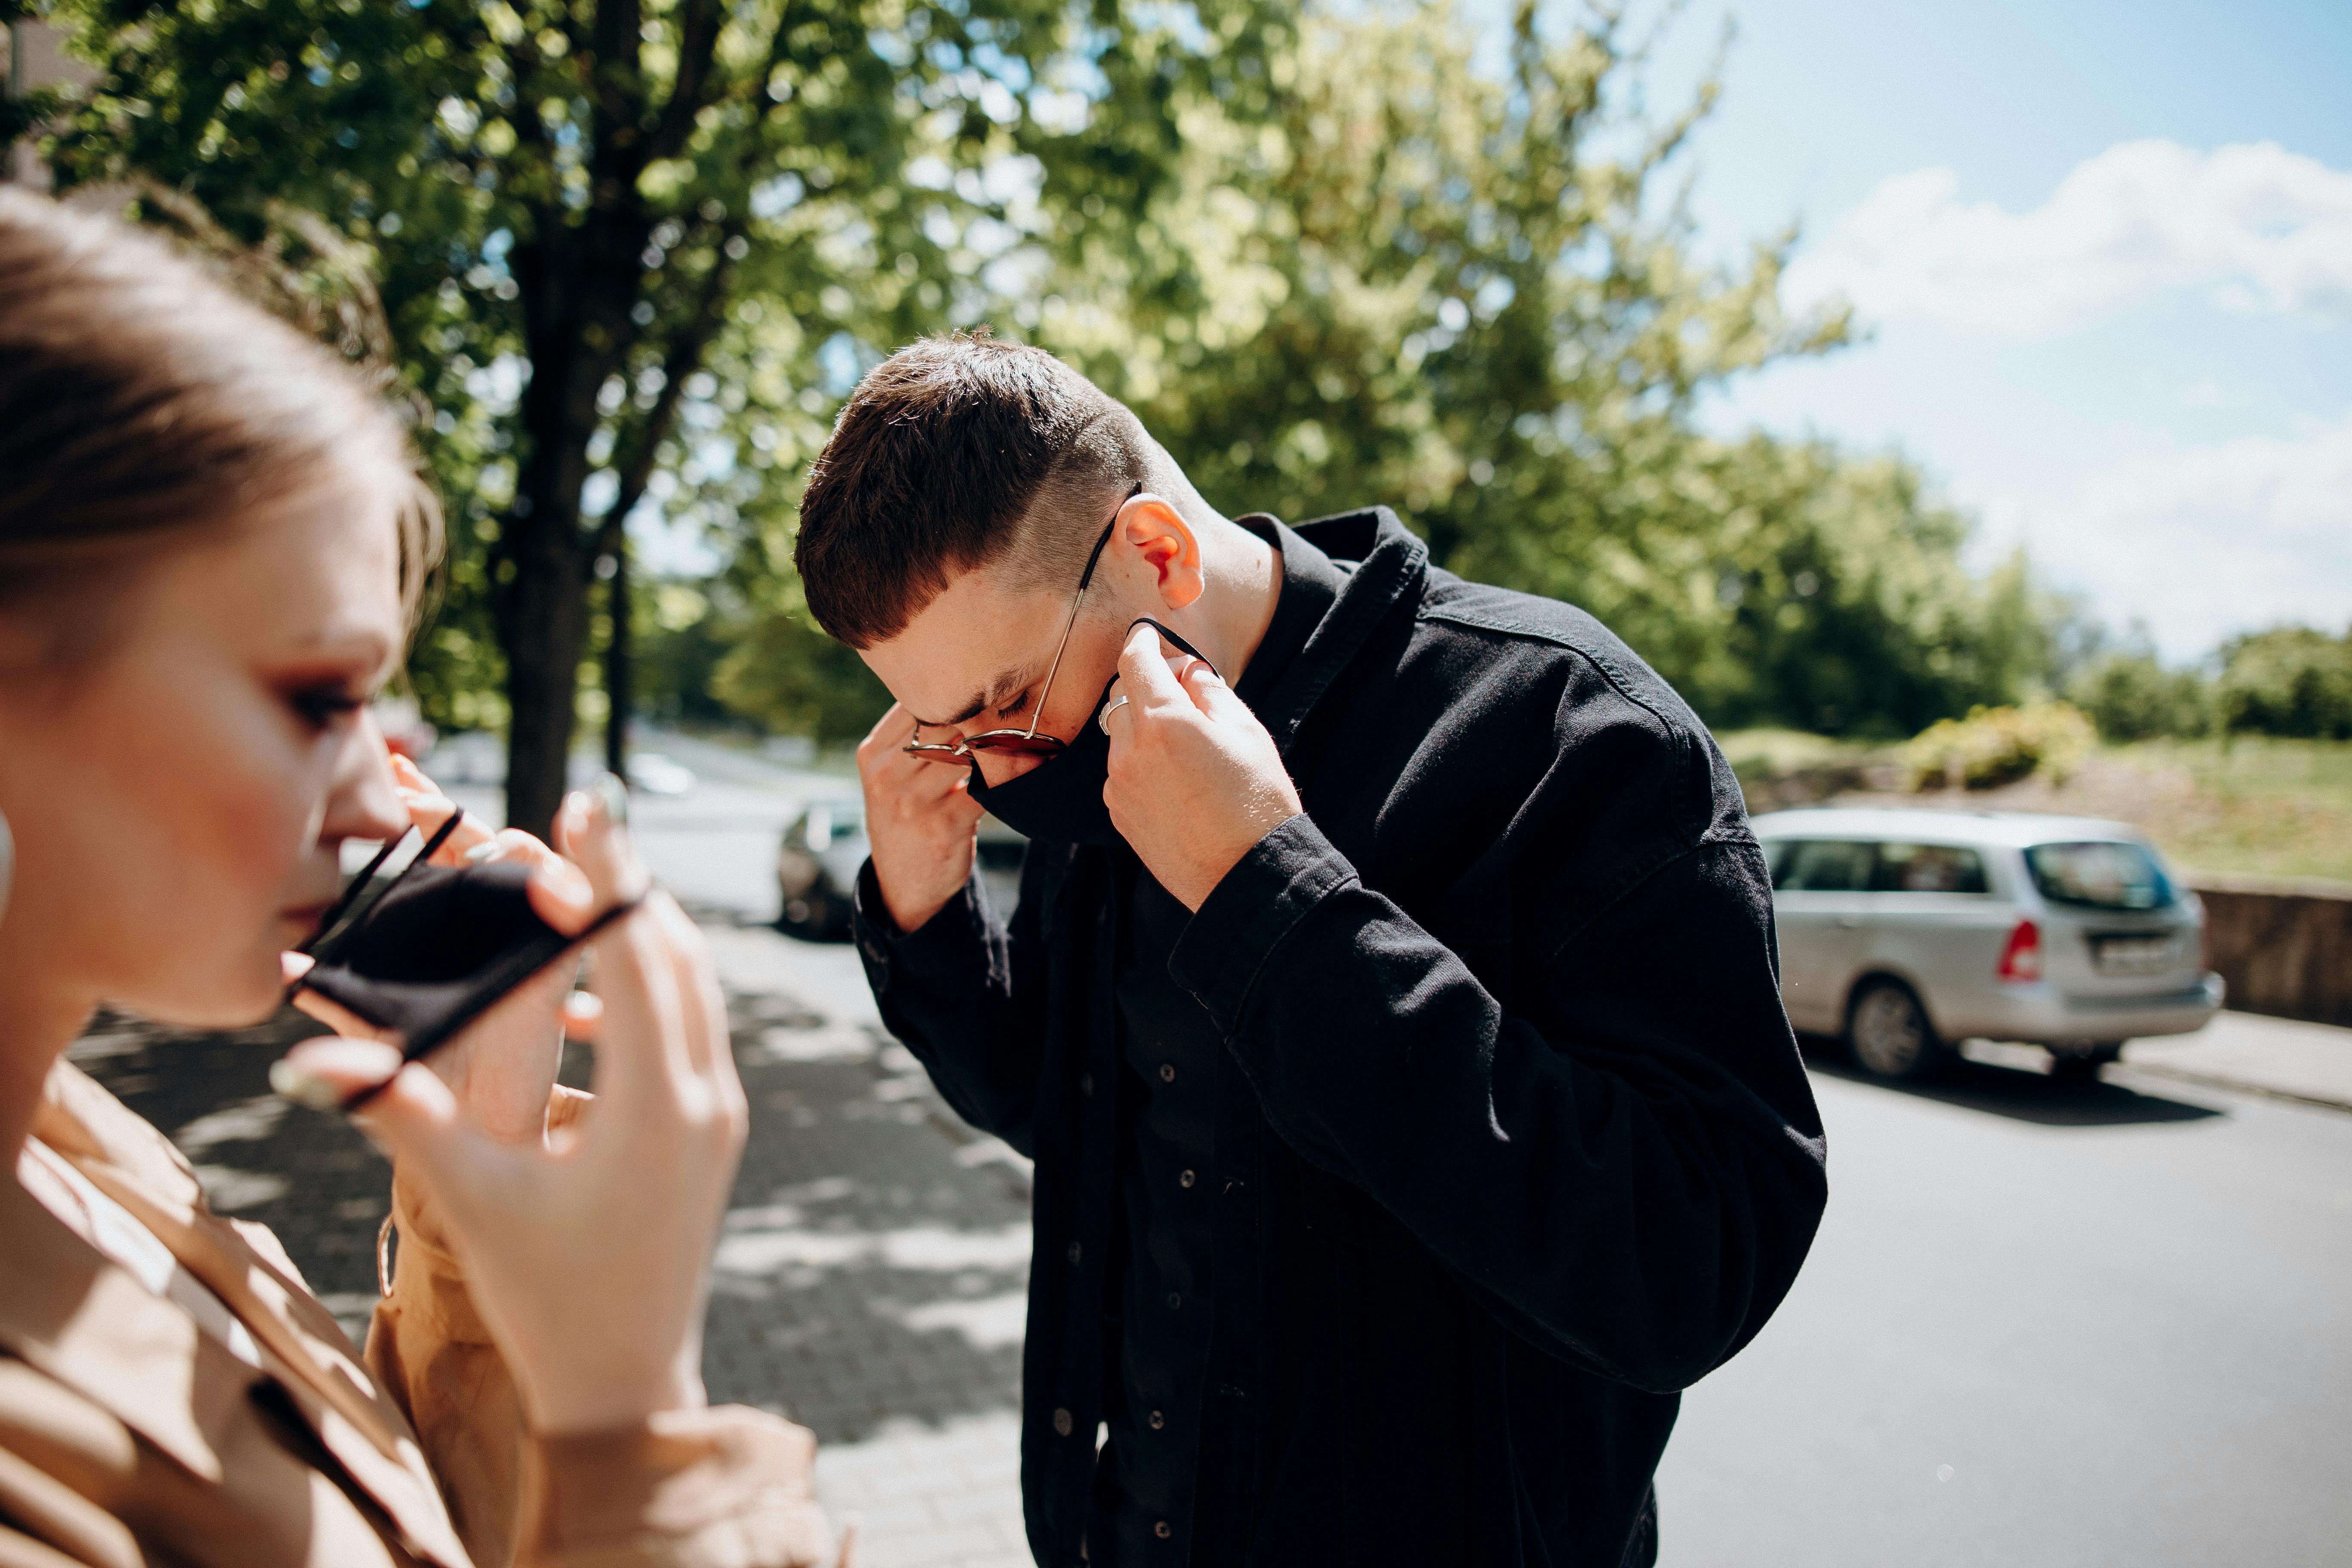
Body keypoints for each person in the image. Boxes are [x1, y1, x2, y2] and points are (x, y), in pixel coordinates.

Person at [796, 334, 1830, 1567]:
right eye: (936, 725)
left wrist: (1267, 892)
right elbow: (1066, 1114)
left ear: (1156, 554)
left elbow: (1688, 1267)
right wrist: (926, 919)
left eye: (1004, 701)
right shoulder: (1079, 761)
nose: (993, 760)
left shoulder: (1569, 731)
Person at [0, 190, 843, 1568]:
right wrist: (627, 1421)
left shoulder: (77, 1147)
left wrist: (486, 1156)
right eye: (320, 695)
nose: (385, 796)